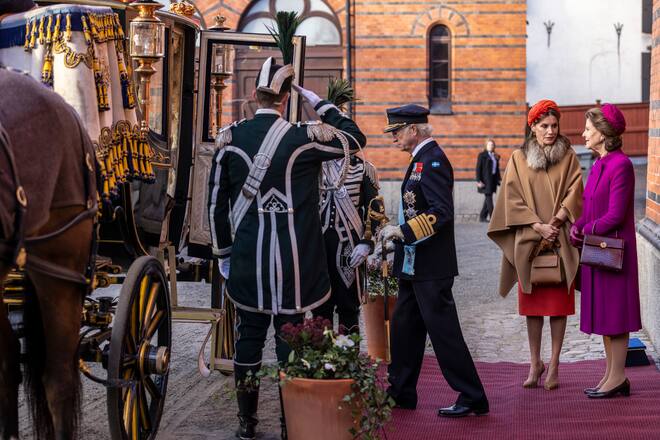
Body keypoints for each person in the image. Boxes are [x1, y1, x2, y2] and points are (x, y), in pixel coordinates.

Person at [208, 57, 366, 439]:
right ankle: (290, 423)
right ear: (286, 98)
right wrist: (321, 104)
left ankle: (247, 424)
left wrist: (224, 255)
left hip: (249, 262)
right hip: (298, 265)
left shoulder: (229, 139)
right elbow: (356, 140)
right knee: (291, 342)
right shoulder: (305, 137)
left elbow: (214, 206)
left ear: (252, 94)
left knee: (248, 341)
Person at [378, 104, 488, 418]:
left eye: (397, 131)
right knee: (403, 329)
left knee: (444, 334)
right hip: (415, 265)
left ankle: (473, 396)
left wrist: (402, 232)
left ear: (414, 130)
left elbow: (441, 213)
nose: (393, 138)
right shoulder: (420, 161)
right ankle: (401, 393)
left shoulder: (433, 161)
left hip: (431, 266)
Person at [488, 99, 583, 390]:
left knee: (558, 307)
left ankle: (553, 365)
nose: (551, 131)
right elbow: (510, 198)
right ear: (533, 127)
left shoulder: (569, 156)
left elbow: (576, 189)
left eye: (555, 125)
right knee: (532, 307)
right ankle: (534, 363)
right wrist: (538, 225)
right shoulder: (518, 158)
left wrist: (558, 219)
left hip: (559, 239)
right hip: (529, 241)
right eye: (545, 126)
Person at [570, 104, 641, 399]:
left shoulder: (621, 165)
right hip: (598, 249)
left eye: (588, 129)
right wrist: (578, 225)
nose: (583, 133)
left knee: (616, 316)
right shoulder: (598, 164)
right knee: (605, 316)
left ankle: (619, 376)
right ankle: (611, 375)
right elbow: (591, 208)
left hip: (614, 251)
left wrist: (587, 230)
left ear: (603, 132)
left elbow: (615, 214)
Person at [313, 155, 380, 334]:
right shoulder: (315, 163)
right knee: (319, 305)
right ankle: (320, 359)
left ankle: (347, 359)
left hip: (350, 247)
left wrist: (367, 242)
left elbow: (374, 210)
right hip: (319, 247)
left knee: (348, 305)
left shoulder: (363, 168)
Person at [476, 138, 501, 222]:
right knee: (489, 198)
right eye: (489, 145)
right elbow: (478, 169)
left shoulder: (495, 156)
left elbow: (496, 169)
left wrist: (498, 179)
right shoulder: (482, 155)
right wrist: (478, 180)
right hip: (485, 181)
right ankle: (494, 218)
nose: (491, 146)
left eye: (492, 145)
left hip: (493, 180)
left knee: (487, 198)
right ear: (486, 146)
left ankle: (482, 217)